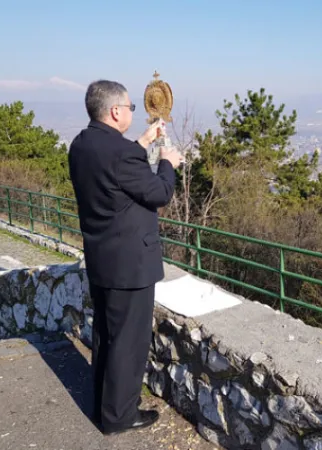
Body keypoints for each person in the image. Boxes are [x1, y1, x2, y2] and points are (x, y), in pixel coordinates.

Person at [68, 79, 183, 435]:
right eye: (131, 107)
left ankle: (104, 406)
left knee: (106, 335)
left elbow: (115, 171)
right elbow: (159, 193)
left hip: (102, 258)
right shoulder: (121, 154)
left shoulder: (82, 144)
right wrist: (168, 162)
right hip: (130, 265)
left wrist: (144, 141)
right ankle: (119, 417)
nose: (133, 112)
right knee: (128, 343)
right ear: (116, 111)